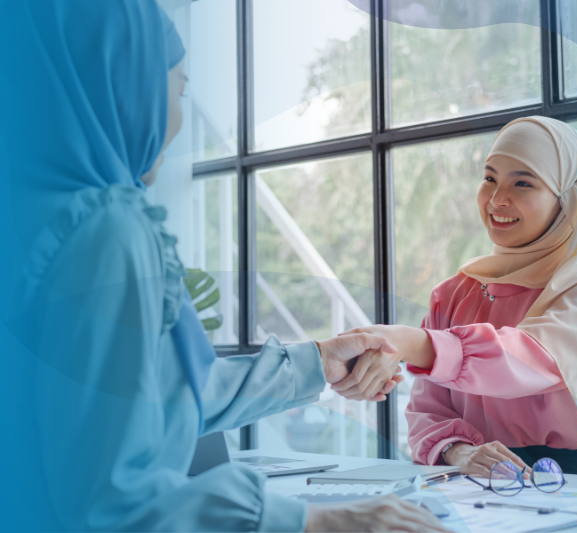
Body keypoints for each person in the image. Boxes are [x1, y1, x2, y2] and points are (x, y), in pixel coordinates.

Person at [0, 1, 448, 532]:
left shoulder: (27, 215)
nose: (179, 119)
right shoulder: (107, 229)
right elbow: (110, 504)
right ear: (128, 81)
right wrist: (317, 524)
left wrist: (319, 362)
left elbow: (147, 400)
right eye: (180, 87)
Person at [335, 117, 577, 479]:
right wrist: (461, 453)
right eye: (490, 178)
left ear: (566, 199)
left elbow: (531, 357)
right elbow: (426, 413)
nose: (497, 199)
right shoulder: (453, 293)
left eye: (523, 183)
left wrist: (407, 341)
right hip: (479, 479)